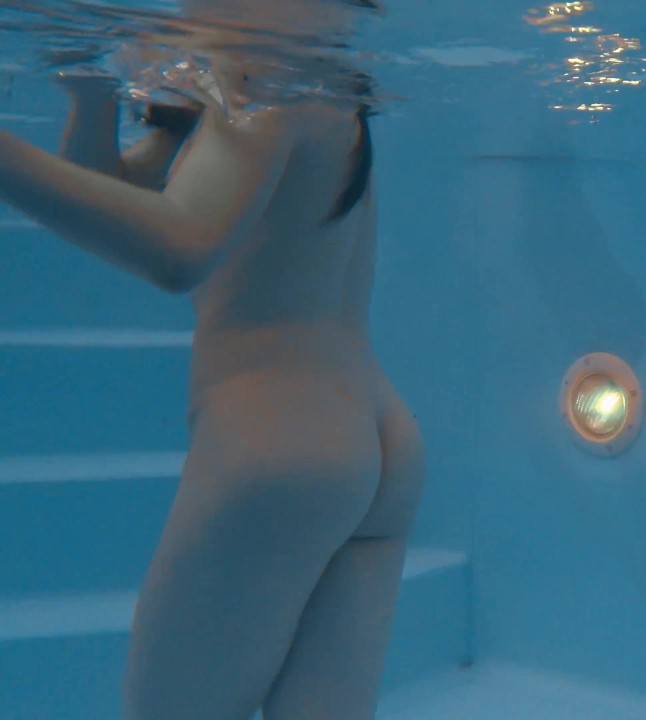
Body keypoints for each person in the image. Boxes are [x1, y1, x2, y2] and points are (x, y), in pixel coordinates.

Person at [0, 1, 426, 718]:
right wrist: (92, 93)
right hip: (378, 438)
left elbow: (180, 246)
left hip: (282, 440)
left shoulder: (258, 62)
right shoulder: (312, 74)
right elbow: (118, 195)